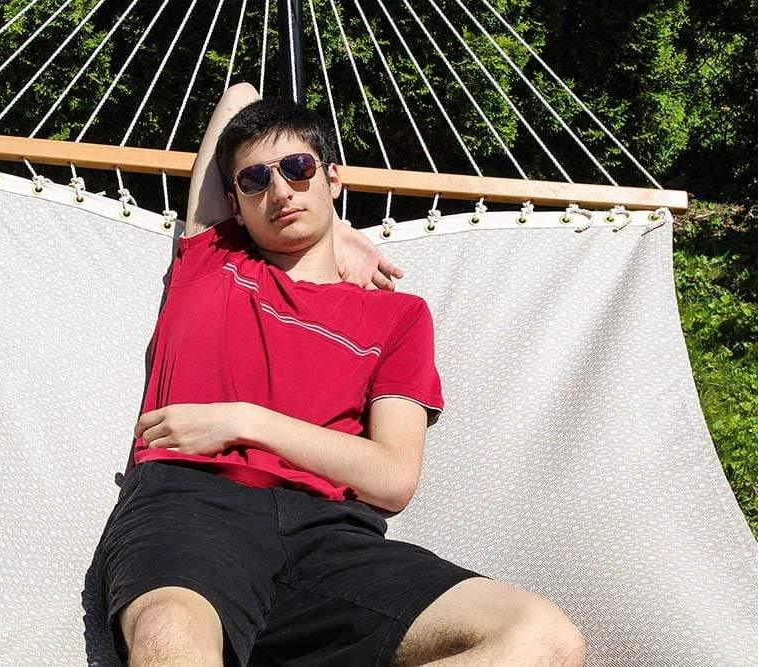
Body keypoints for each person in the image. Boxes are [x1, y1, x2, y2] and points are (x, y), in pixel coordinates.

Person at [84, 82, 587, 666]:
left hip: (330, 536)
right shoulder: (211, 261)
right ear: (236, 205)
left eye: (298, 169)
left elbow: (393, 479)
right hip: (192, 512)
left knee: (542, 640)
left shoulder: (398, 315)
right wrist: (328, 223)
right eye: (255, 181)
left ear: (334, 177)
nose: (279, 190)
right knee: (170, 631)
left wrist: (247, 422)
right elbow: (238, 94)